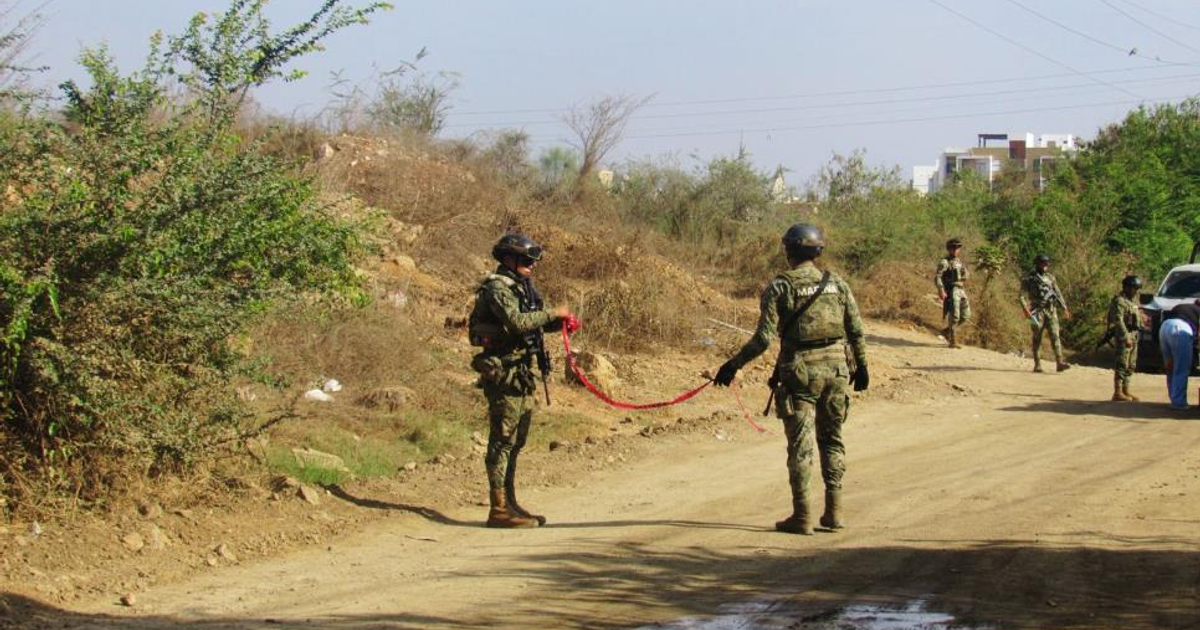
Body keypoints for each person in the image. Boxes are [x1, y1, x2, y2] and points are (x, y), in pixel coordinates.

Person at [712, 224, 869, 535]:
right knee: (833, 439)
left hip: (800, 372)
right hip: (838, 370)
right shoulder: (838, 284)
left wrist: (733, 364)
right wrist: (862, 367)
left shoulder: (781, 286)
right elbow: (856, 329)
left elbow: (764, 338)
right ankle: (834, 512)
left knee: (801, 445)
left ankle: (802, 516)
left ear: (790, 250)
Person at [467, 233, 573, 528]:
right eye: (526, 260)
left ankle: (509, 504)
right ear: (509, 260)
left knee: (516, 441)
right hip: (503, 372)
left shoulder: (521, 288)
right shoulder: (497, 288)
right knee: (502, 440)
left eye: (533, 261)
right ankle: (498, 508)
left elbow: (530, 324)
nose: (531, 266)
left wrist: (557, 323)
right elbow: (517, 321)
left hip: (520, 373)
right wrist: (553, 313)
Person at [1019, 254, 1072, 373]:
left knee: (1055, 336)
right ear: (1037, 264)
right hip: (1036, 311)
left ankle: (1059, 363)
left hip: (1051, 311)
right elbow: (1021, 296)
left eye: (1046, 263)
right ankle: (1037, 364)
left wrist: (1065, 308)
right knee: (1037, 337)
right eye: (1043, 263)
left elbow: (1058, 294)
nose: (1045, 265)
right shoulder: (1029, 278)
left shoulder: (1051, 278)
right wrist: (1026, 310)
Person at [1106, 275, 1144, 402]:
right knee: (1122, 363)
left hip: (1134, 334)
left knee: (1131, 364)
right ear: (1127, 288)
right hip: (1124, 336)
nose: (1136, 291)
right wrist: (1126, 337)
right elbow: (1118, 320)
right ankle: (1117, 392)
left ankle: (1125, 389)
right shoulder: (1120, 301)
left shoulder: (1133, 301)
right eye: (1135, 288)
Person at [1158, 298, 1200, 411]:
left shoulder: (1184, 306)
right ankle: (1179, 403)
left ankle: (1174, 398)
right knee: (1181, 369)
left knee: (1170, 367)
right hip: (1180, 329)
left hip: (1164, 328)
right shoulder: (1197, 311)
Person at [935, 238, 970, 348]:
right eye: (952, 247)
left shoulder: (959, 261)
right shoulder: (945, 262)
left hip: (960, 290)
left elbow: (966, 274)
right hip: (952, 290)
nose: (955, 250)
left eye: (957, 247)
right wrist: (941, 289)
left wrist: (964, 277)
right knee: (955, 316)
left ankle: (947, 331)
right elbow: (938, 277)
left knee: (966, 315)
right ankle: (953, 341)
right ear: (948, 249)